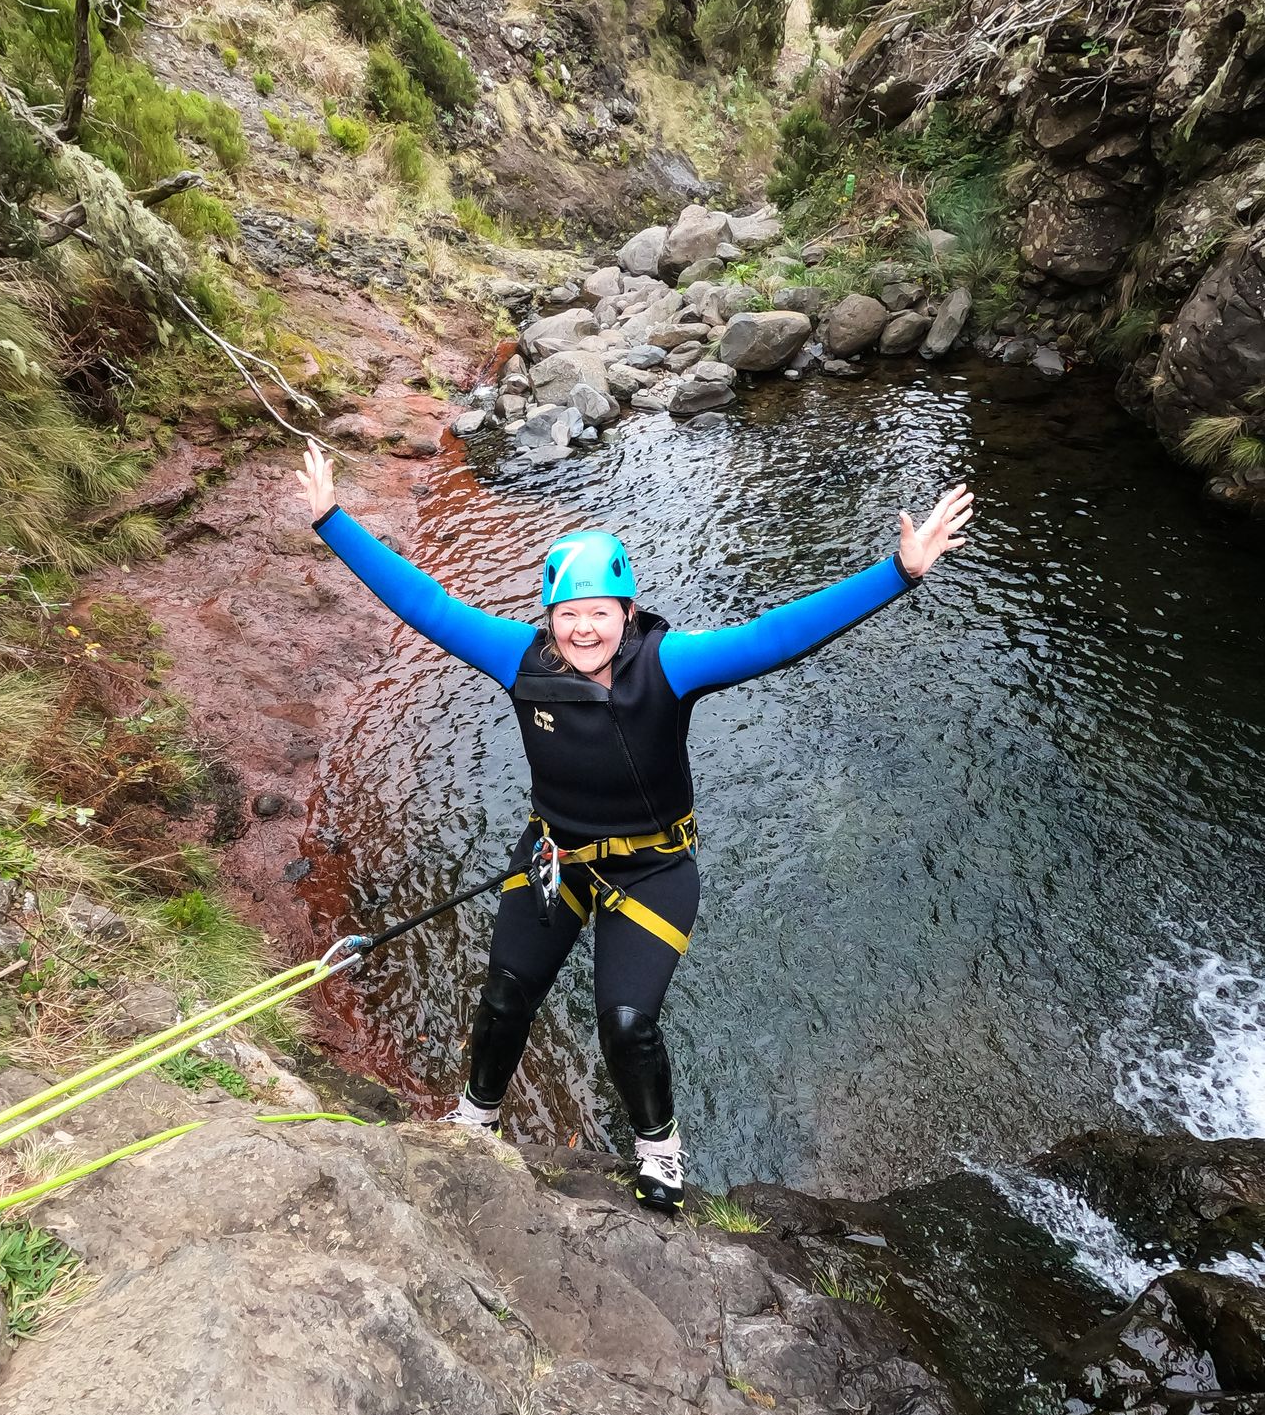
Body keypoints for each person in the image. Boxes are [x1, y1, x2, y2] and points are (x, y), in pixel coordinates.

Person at [296, 442, 972, 1212]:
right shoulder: (519, 657)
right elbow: (427, 605)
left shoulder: (671, 664)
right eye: (569, 615)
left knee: (625, 1022)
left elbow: (774, 637)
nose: (584, 630)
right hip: (554, 855)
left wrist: (898, 573)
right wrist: (333, 521)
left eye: (599, 614)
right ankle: (476, 1119)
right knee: (506, 997)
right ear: (550, 618)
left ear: (627, 611)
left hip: (654, 869)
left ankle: (659, 1149)